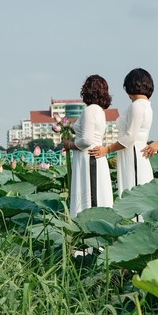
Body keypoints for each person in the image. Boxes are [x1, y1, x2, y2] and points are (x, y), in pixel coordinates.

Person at [89, 68, 154, 197]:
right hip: (134, 152)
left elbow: (130, 136)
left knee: (133, 193)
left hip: (133, 152)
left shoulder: (137, 105)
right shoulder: (145, 104)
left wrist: (107, 149)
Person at [63, 75, 113, 218]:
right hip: (90, 158)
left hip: (89, 158)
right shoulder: (99, 111)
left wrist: (70, 144)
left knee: (90, 198)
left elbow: (87, 139)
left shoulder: (90, 110)